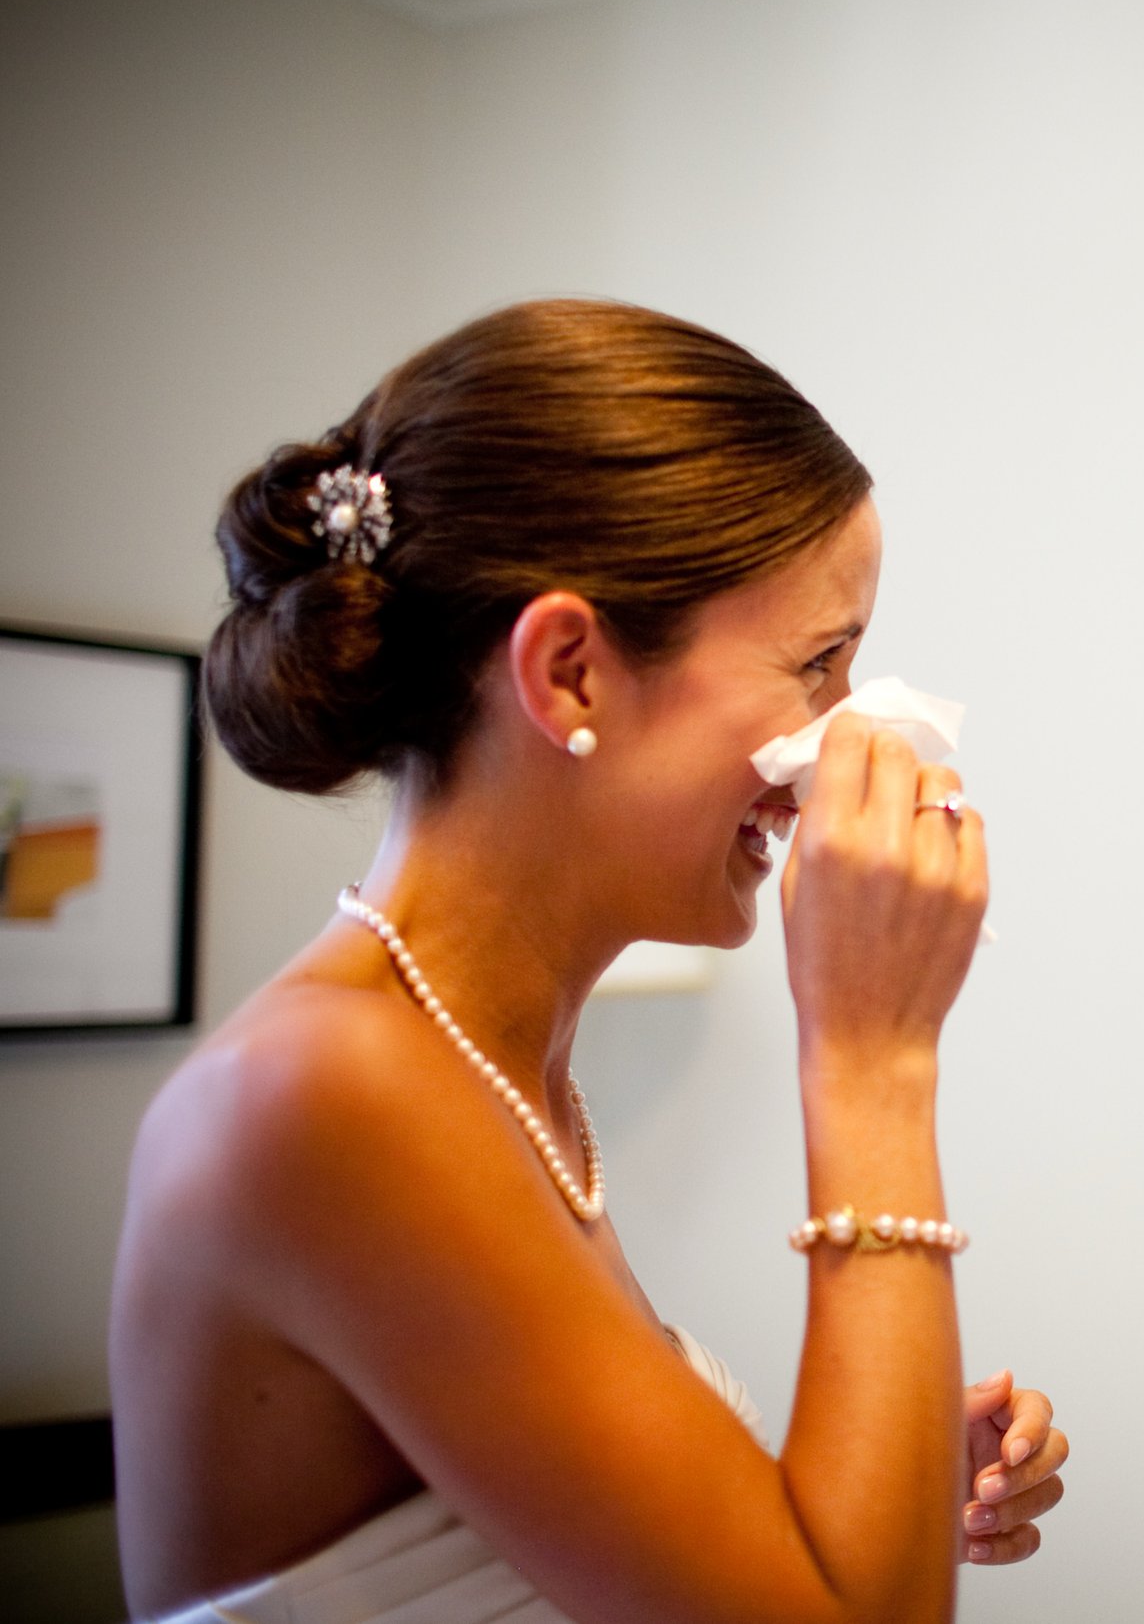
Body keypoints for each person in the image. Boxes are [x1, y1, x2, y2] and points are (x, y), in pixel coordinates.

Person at [111, 299, 1068, 1622]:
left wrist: (890, 1480)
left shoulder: (506, 1072)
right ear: (568, 674)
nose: (846, 742)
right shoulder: (331, 1094)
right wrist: (873, 1058)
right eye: (818, 665)